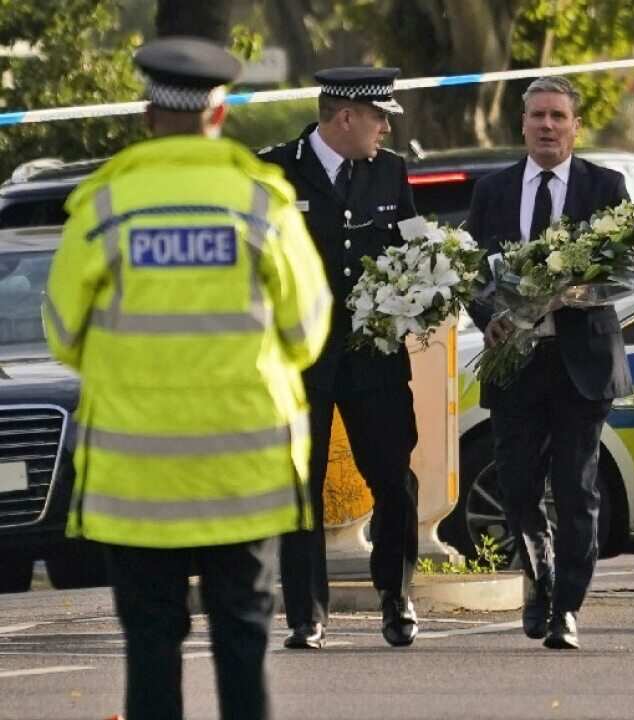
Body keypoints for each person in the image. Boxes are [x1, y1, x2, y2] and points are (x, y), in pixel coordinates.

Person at [42, 36, 330, 719]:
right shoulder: (262, 204)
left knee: (149, 646)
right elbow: (307, 331)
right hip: (244, 475)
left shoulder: (105, 207)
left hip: (135, 482)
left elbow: (61, 333)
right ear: (220, 113)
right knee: (242, 641)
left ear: (147, 114)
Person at [465, 75, 631, 650]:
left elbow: (619, 274)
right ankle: (540, 575)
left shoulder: (605, 186)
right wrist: (488, 314)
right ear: (523, 124)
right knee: (515, 487)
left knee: (577, 485)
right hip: (516, 363)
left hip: (581, 361)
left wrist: (570, 294)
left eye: (558, 116)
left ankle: (566, 609)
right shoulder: (494, 190)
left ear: (575, 126)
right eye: (537, 116)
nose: (547, 126)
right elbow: (471, 268)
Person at [260, 66, 422, 649]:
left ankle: (396, 596)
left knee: (394, 479)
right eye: (378, 117)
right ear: (346, 116)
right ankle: (307, 615)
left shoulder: (390, 171)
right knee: (299, 485)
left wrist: (430, 289)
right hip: (301, 362)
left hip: (373, 358)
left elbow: (413, 248)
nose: (384, 127)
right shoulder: (275, 170)